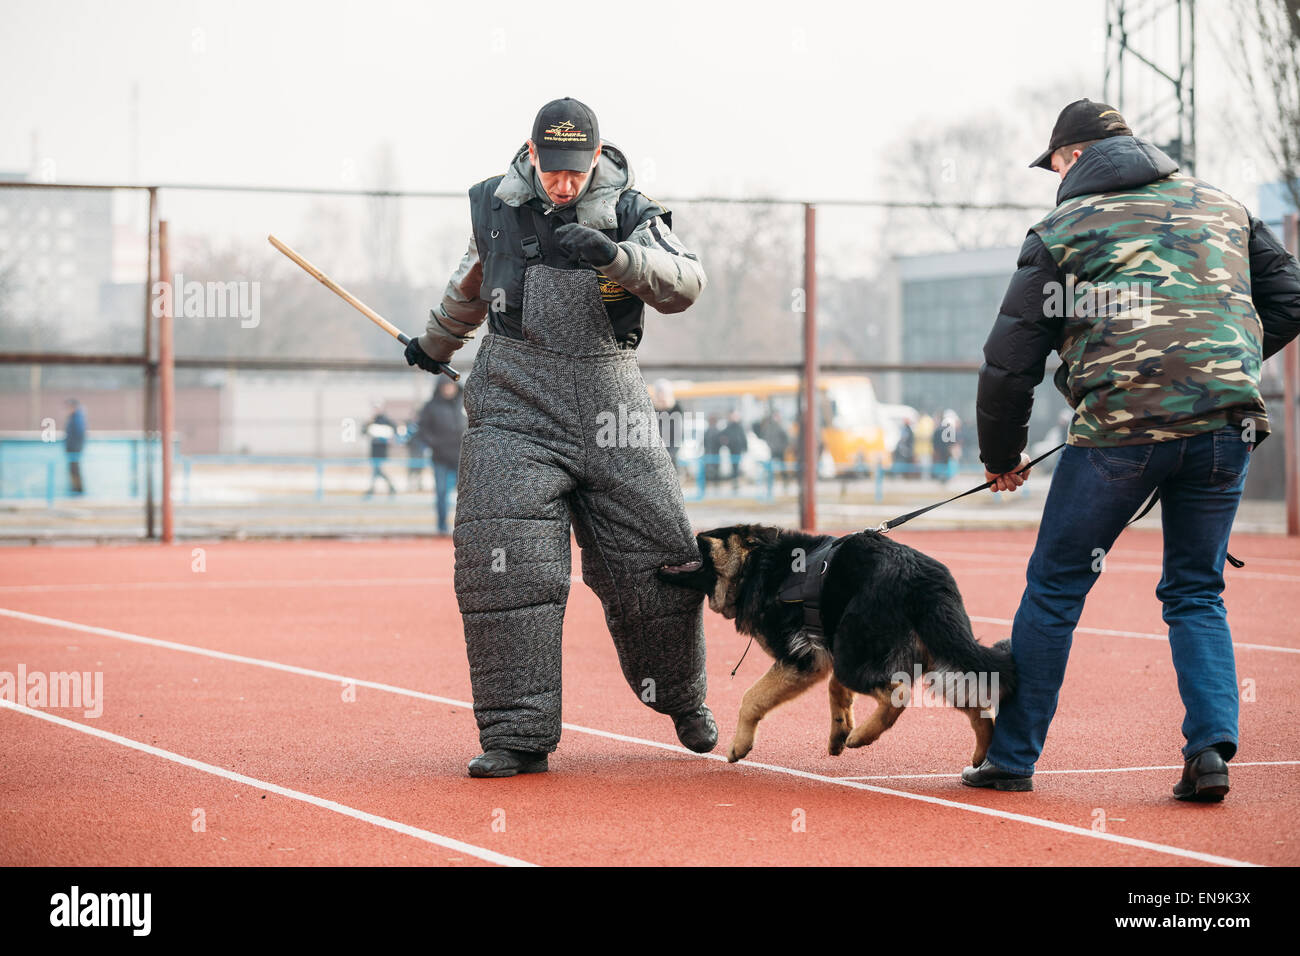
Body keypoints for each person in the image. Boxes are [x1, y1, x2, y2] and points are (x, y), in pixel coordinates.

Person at [967, 99, 1300, 801]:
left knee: (1056, 588)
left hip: (1120, 434)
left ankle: (1013, 758)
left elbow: (1009, 360)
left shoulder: (1062, 227)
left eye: (1053, 162)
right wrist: (1220, 365)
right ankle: (1210, 751)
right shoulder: (1223, 207)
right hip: (1225, 427)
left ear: (1074, 156)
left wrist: (1002, 456)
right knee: (1196, 590)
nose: (1053, 174)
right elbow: (1292, 295)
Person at [403, 97, 716, 777]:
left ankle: (683, 698)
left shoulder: (636, 211)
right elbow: (471, 284)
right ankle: (516, 735)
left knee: (664, 555)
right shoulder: (494, 206)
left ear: (596, 158)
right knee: (506, 565)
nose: (564, 184)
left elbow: (687, 282)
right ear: (532, 153)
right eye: (553, 171)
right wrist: (434, 343)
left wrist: (617, 256)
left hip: (614, 403)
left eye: (576, 172)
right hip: (515, 402)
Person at [418, 379, 466, 535]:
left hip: (462, 458)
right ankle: (441, 527)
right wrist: (435, 444)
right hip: (440, 458)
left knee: (466, 495)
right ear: (439, 387)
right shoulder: (431, 406)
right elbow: (422, 429)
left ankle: (464, 527)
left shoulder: (465, 404)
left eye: (451, 386)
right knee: (441, 493)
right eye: (445, 386)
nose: (448, 389)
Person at [362, 403, 397, 498]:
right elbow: (363, 431)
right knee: (377, 470)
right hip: (374, 449)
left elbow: (394, 430)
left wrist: (390, 437)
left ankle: (372, 490)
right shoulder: (372, 421)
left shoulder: (385, 420)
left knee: (377, 470)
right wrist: (369, 422)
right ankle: (390, 487)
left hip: (382, 449)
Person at [721, 410, 749, 492]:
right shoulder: (729, 427)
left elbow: (743, 437)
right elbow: (723, 435)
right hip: (732, 449)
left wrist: (745, 447)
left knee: (737, 466)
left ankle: (736, 481)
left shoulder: (739, 427)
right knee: (734, 466)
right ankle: (734, 482)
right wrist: (726, 443)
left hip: (738, 449)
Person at [64, 398, 86, 495]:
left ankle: (78, 489)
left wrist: (75, 447)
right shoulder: (74, 417)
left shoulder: (77, 418)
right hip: (73, 448)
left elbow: (79, 433)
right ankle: (76, 488)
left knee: (75, 469)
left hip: (74, 448)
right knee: (73, 469)